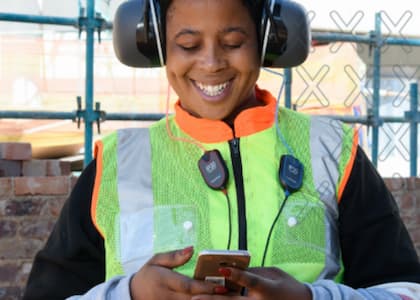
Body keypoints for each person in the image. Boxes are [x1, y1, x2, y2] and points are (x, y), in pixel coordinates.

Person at [23, 0, 420, 299]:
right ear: (157, 44)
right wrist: (130, 294)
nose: (211, 63)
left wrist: (312, 296)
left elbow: (406, 290)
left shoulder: (333, 152)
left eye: (233, 42)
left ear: (269, 39)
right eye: (188, 44)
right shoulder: (114, 165)